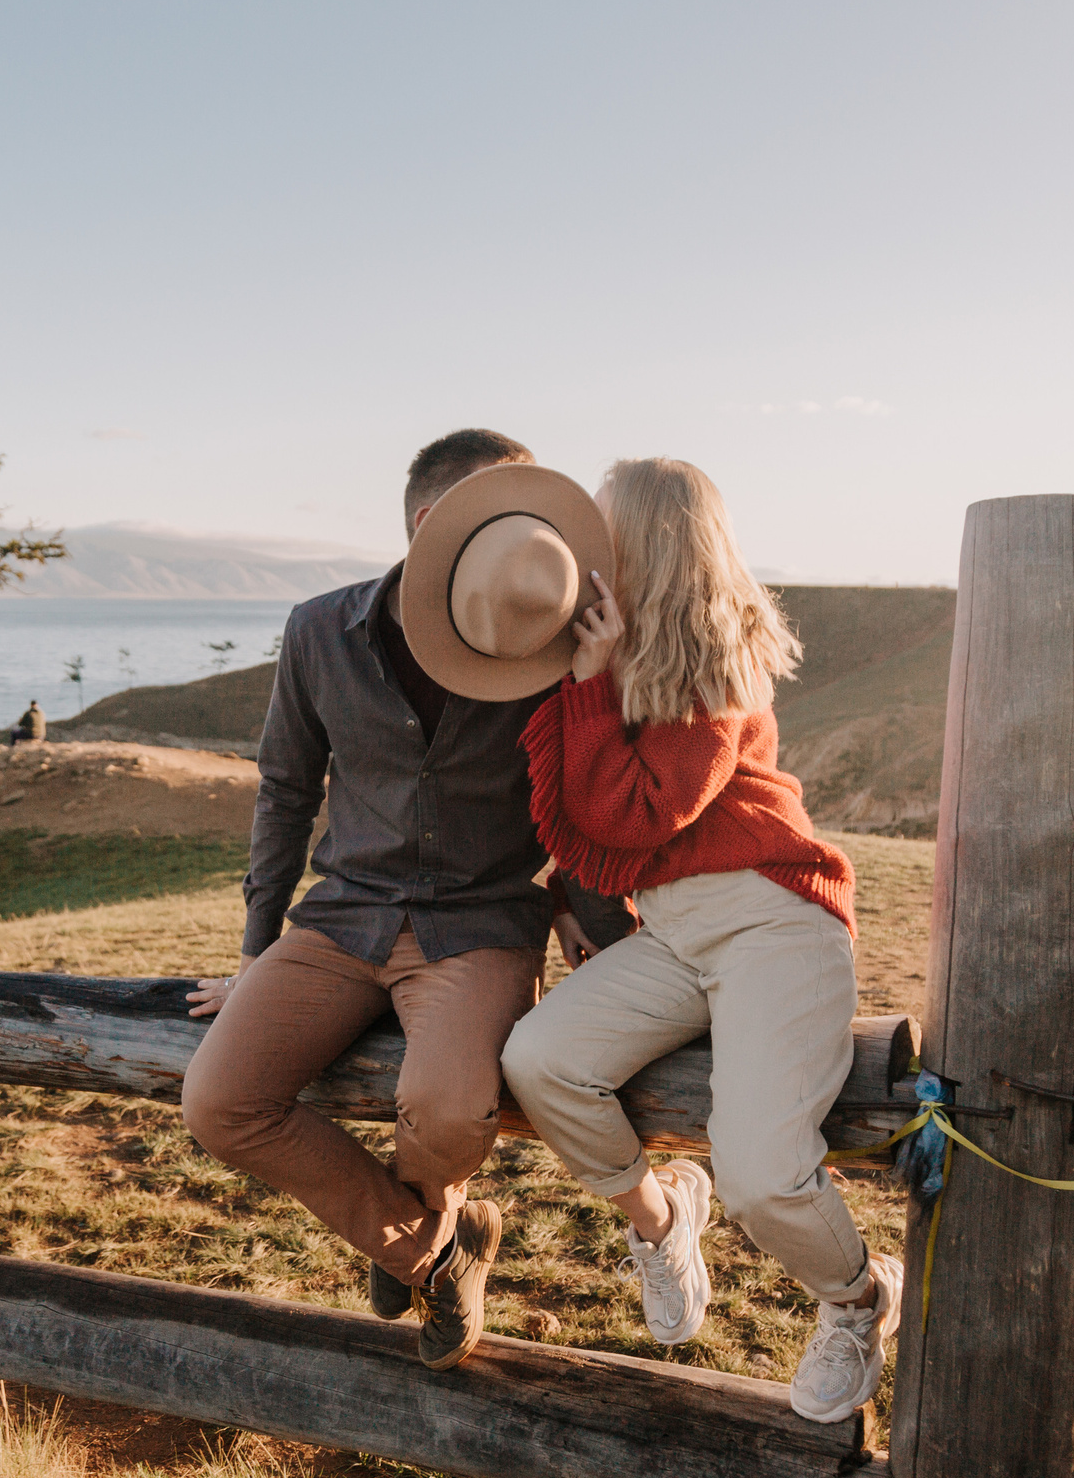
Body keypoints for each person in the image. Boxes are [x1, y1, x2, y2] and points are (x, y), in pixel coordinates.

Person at [179, 431, 612, 1370]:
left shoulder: (549, 644)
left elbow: (586, 796)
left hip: (481, 924)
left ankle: (408, 1239)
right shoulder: (317, 630)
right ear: (429, 526)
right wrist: (257, 950)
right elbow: (286, 792)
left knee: (450, 1109)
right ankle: (438, 1248)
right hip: (343, 916)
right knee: (218, 1101)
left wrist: (579, 900)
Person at [497, 456, 901, 1425]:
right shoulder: (611, 648)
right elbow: (582, 825)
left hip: (774, 919)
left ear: (648, 544)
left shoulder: (722, 668)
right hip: (675, 933)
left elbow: (638, 811)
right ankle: (665, 1216)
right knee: (539, 1060)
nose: (588, 550)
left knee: (762, 1171)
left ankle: (857, 1300)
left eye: (604, 531)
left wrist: (590, 688)